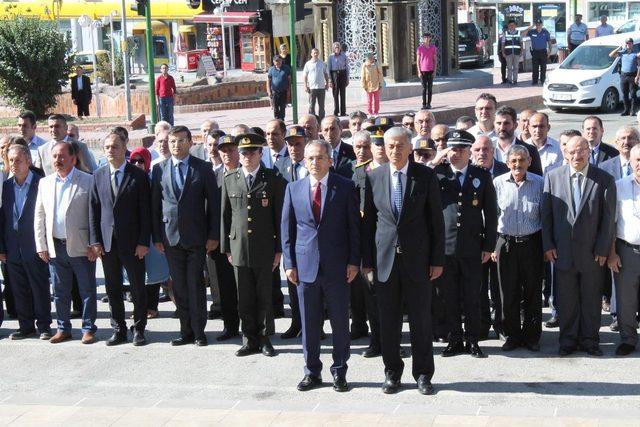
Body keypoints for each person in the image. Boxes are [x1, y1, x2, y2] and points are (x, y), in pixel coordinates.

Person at [362, 126, 444, 395]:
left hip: (418, 261)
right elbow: (369, 225)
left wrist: (436, 259)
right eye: (390, 146)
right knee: (388, 321)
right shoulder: (374, 177)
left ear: (410, 148)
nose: (394, 151)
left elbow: (435, 222)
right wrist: (367, 262)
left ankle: (423, 374)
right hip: (385, 262)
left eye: (399, 146)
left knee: (421, 320)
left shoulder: (426, 176)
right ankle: (392, 372)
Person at [282, 139, 360, 392]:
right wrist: (289, 263)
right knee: (309, 322)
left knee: (339, 322)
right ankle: (311, 371)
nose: (314, 162)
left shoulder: (346, 187)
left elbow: (353, 229)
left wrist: (353, 261)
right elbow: (287, 230)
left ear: (330, 160)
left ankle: (339, 370)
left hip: (338, 266)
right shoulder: (293, 189)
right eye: (310, 158)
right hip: (305, 267)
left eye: (319, 158)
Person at [541, 136, 616, 356]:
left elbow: (608, 219)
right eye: (572, 152)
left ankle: (590, 341)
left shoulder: (604, 179)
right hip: (562, 252)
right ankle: (568, 341)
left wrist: (603, 249)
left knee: (591, 300)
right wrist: (548, 245)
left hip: (593, 254)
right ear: (565, 153)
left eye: (581, 151)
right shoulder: (553, 178)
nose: (576, 156)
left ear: (588, 152)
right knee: (566, 300)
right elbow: (546, 216)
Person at [151, 126, 219, 347]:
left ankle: (199, 331)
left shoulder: (203, 168)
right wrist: (157, 237)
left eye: (180, 141)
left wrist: (213, 234)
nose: (176, 145)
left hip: (197, 237)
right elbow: (155, 206)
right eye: (172, 142)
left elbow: (214, 205)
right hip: (170, 238)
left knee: (195, 284)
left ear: (190, 142)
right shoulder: (159, 169)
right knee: (178, 287)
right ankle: (185, 330)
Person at [221, 133, 286, 357]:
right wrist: (226, 248)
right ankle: (249, 339)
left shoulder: (273, 179)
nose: (247, 156)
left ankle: (265, 338)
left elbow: (279, 218)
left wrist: (279, 250)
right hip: (239, 248)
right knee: (245, 297)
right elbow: (225, 217)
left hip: (265, 247)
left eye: (252, 152)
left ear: (261, 153)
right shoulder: (230, 178)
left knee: (264, 296)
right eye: (244, 152)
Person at [435, 130, 497, 358]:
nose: (456, 153)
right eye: (452, 148)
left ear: (469, 151)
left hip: (472, 247)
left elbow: (491, 214)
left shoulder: (480, 175)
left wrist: (489, 246)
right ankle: (454, 339)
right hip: (446, 248)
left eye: (461, 148)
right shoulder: (438, 174)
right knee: (449, 296)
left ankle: (472, 339)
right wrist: (434, 161)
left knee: (472, 296)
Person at [89, 132, 151, 346]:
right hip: (108, 243)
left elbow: (146, 212)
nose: (110, 150)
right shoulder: (98, 175)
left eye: (115, 146)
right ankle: (119, 329)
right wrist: (95, 241)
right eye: (106, 147)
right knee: (112, 287)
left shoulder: (138, 175)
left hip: (133, 243)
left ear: (125, 147)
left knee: (137, 288)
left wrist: (144, 241)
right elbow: (94, 210)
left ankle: (139, 328)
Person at [34, 141, 98, 344]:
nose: (57, 160)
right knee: (60, 292)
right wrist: (41, 245)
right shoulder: (45, 182)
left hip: (82, 246)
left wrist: (94, 243)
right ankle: (63, 328)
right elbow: (39, 215)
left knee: (87, 290)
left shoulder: (87, 181)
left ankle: (88, 329)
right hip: (55, 246)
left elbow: (94, 215)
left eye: (62, 156)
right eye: (54, 157)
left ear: (73, 158)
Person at [492, 145, 544, 351]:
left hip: (532, 243)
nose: (517, 165)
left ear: (529, 162)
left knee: (532, 292)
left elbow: (545, 217)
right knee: (508, 292)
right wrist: (493, 245)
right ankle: (512, 335)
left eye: (522, 160)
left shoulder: (540, 183)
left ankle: (532, 337)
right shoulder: (498, 183)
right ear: (507, 163)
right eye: (513, 161)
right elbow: (491, 215)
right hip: (506, 244)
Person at [0, 145, 51, 340]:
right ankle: (26, 326)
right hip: (13, 247)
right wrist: (2, 248)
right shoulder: (6, 186)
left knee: (39, 287)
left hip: (35, 246)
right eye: (11, 160)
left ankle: (44, 325)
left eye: (18, 160)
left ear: (28, 161)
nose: (13, 164)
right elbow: (3, 218)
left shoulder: (42, 183)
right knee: (18, 288)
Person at [471, 135, 508, 340]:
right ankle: (482, 325)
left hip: (501, 237)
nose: (481, 154)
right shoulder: (469, 172)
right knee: (478, 286)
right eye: (477, 150)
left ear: (493, 151)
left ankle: (501, 325)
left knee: (500, 285)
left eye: (486, 149)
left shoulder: (505, 169)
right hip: (476, 238)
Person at [274, 125, 308, 339]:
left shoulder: (315, 164)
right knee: (293, 278)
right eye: (290, 144)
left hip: (310, 232)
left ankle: (314, 326)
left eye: (298, 143)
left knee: (313, 281)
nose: (293, 148)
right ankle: (296, 322)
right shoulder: (281, 165)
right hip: (290, 232)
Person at [128, 147, 169, 319]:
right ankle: (139, 308)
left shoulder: (154, 179)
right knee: (136, 273)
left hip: (152, 233)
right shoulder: (128, 179)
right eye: (134, 161)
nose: (137, 164)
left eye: (141, 161)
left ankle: (152, 306)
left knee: (153, 272)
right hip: (133, 233)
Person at [607, 144, 640, 356]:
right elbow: (611, 223)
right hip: (627, 250)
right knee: (626, 299)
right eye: (638, 160)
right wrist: (611, 253)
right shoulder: (619, 186)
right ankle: (628, 339)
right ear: (632, 161)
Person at [209, 134, 240, 341]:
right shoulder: (211, 174)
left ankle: (254, 328)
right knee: (224, 287)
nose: (227, 154)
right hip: (219, 240)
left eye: (231, 150)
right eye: (223, 150)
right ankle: (230, 326)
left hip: (244, 241)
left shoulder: (245, 172)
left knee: (246, 288)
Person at [494, 106, 543, 176]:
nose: (502, 127)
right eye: (498, 123)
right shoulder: (486, 149)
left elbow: (537, 180)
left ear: (515, 125)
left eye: (506, 123)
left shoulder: (530, 150)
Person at [609, 39, 640, 116]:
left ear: (632, 44)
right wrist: (619, 48)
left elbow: (639, 66)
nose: (628, 45)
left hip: (632, 75)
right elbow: (611, 55)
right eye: (627, 43)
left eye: (629, 43)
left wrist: (637, 77)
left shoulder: (636, 53)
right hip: (624, 75)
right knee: (624, 94)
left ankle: (633, 111)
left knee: (633, 94)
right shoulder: (622, 52)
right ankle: (626, 110)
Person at [303, 48, 329, 120]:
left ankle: (321, 120)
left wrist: (327, 83)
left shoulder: (322, 63)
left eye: (317, 53)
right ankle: (312, 120)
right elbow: (305, 76)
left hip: (321, 87)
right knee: (311, 105)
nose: (315, 54)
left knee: (321, 106)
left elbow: (326, 74)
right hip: (312, 88)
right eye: (314, 53)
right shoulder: (308, 64)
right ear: (311, 54)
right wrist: (305, 85)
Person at [525, 19, 552, 85]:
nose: (538, 26)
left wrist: (550, 51)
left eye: (539, 24)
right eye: (537, 24)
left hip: (543, 51)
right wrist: (531, 26)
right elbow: (523, 33)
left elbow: (549, 41)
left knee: (543, 67)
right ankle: (535, 81)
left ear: (542, 25)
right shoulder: (532, 31)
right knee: (535, 68)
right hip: (535, 52)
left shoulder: (545, 32)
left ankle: (543, 81)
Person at [416, 33, 438, 109]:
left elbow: (435, 60)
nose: (427, 39)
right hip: (423, 71)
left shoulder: (433, 48)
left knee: (430, 88)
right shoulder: (420, 48)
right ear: (423, 39)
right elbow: (418, 61)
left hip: (431, 70)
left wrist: (435, 71)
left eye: (428, 37)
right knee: (424, 88)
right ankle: (424, 104)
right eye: (425, 37)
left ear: (430, 38)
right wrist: (419, 71)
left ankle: (429, 104)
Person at [328, 42, 349, 116]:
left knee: (343, 94)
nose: (337, 48)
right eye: (335, 47)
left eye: (338, 47)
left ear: (340, 48)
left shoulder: (344, 56)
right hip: (334, 75)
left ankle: (343, 112)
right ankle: (336, 111)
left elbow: (347, 68)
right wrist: (330, 80)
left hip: (342, 74)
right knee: (335, 94)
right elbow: (329, 69)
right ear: (333, 48)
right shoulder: (330, 57)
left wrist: (347, 79)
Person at [267, 56, 291, 121]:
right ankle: (277, 119)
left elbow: (289, 80)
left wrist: (289, 90)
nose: (278, 62)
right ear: (274, 62)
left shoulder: (286, 68)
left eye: (280, 60)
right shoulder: (271, 69)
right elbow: (268, 81)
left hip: (283, 91)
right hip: (274, 91)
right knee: (275, 107)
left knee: (283, 107)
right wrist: (269, 91)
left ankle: (282, 119)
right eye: (277, 61)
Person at [501, 20, 523, 86]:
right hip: (508, 53)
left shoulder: (519, 33)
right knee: (509, 68)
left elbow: (521, 43)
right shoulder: (506, 33)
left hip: (517, 53)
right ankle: (510, 80)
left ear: (515, 26)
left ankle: (515, 80)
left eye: (513, 25)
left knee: (516, 67)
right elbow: (503, 44)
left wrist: (521, 52)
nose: (511, 26)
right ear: (508, 26)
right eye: (510, 25)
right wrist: (503, 53)